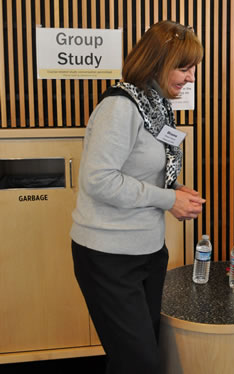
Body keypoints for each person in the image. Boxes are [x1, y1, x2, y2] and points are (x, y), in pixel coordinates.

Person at [70, 21, 205, 374]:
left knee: (135, 357)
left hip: (146, 250)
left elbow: (139, 170)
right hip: (108, 256)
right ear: (157, 61)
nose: (191, 77)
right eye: (184, 67)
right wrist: (166, 199)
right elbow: (98, 180)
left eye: (193, 69)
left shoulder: (156, 105)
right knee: (139, 362)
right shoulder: (121, 107)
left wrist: (174, 189)